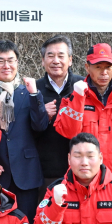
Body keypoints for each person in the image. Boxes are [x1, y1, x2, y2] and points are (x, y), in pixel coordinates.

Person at [51, 43, 112, 193]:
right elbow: (67, 131)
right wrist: (78, 99)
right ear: (87, 67)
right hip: (84, 179)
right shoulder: (72, 97)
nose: (104, 72)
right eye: (98, 67)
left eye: (108, 67)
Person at [0, 40, 50, 221]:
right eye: (0, 61)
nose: (6, 66)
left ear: (17, 62)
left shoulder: (30, 93)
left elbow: (40, 126)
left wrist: (35, 95)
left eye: (11, 60)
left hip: (27, 173)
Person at [33, 36, 87, 192]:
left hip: (81, 172)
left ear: (70, 60)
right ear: (43, 61)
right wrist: (40, 116)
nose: (56, 60)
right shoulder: (32, 90)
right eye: (50, 56)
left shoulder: (83, 86)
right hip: (44, 174)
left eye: (61, 56)